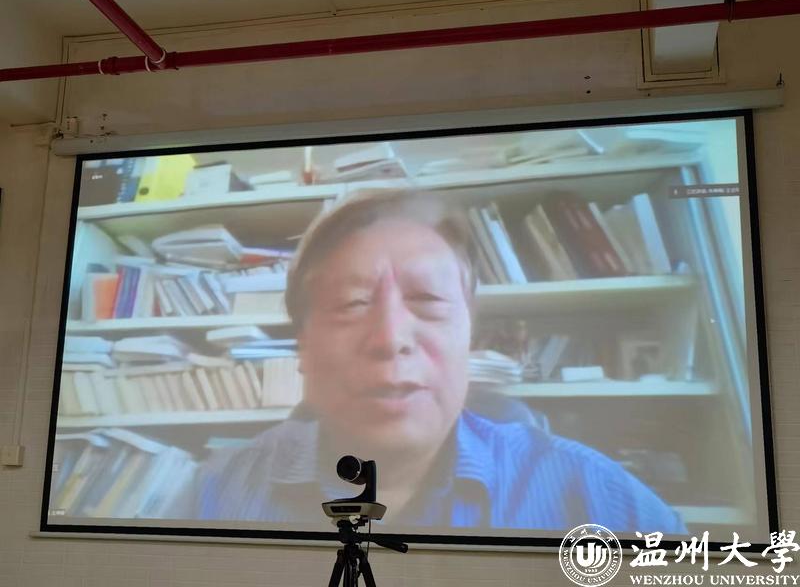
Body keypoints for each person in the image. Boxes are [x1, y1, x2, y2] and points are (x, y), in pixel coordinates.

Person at [190, 189, 686, 534]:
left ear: (468, 336)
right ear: (303, 348)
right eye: (351, 304)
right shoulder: (214, 496)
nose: (391, 338)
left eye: (427, 299)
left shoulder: (596, 497)